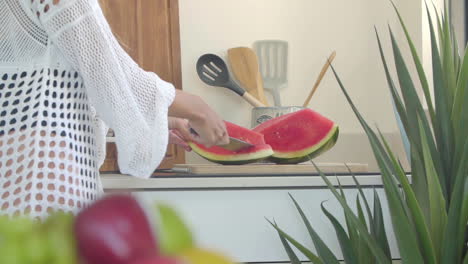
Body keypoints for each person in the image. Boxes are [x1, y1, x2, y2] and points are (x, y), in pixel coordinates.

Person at [0, 0, 229, 219]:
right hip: (40, 174)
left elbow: (45, 79)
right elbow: (111, 74)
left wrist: (163, 121)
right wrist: (198, 109)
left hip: (14, 165)